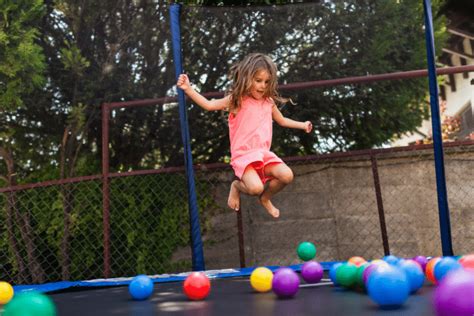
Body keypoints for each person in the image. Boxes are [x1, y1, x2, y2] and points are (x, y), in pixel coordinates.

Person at [177, 53, 312, 218]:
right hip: (244, 156)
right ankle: (236, 186)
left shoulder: (268, 102)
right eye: (258, 80)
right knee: (255, 188)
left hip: (263, 155)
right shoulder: (237, 100)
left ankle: (266, 198)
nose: (262, 86)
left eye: (267, 82)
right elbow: (210, 105)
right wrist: (188, 89)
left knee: (287, 175)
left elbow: (282, 120)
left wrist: (302, 125)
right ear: (247, 78)